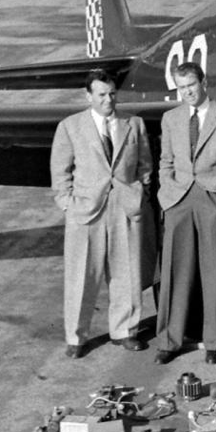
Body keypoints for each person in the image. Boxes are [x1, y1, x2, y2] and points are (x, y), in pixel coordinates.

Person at [50, 70, 153, 359]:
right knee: (82, 276)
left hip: (125, 207)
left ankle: (125, 331)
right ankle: (76, 336)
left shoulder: (134, 124)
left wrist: (140, 193)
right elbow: (60, 171)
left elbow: (145, 164)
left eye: (112, 94)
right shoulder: (70, 127)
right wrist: (67, 203)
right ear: (89, 97)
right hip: (86, 211)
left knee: (127, 274)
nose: (108, 100)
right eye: (101, 95)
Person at [154, 62, 216, 365]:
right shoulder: (170, 119)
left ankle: (213, 341)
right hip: (178, 199)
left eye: (191, 86)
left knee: (214, 271)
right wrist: (166, 193)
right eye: (181, 88)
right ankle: (170, 340)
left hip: (213, 199)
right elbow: (165, 161)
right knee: (175, 271)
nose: (187, 93)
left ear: (204, 82)